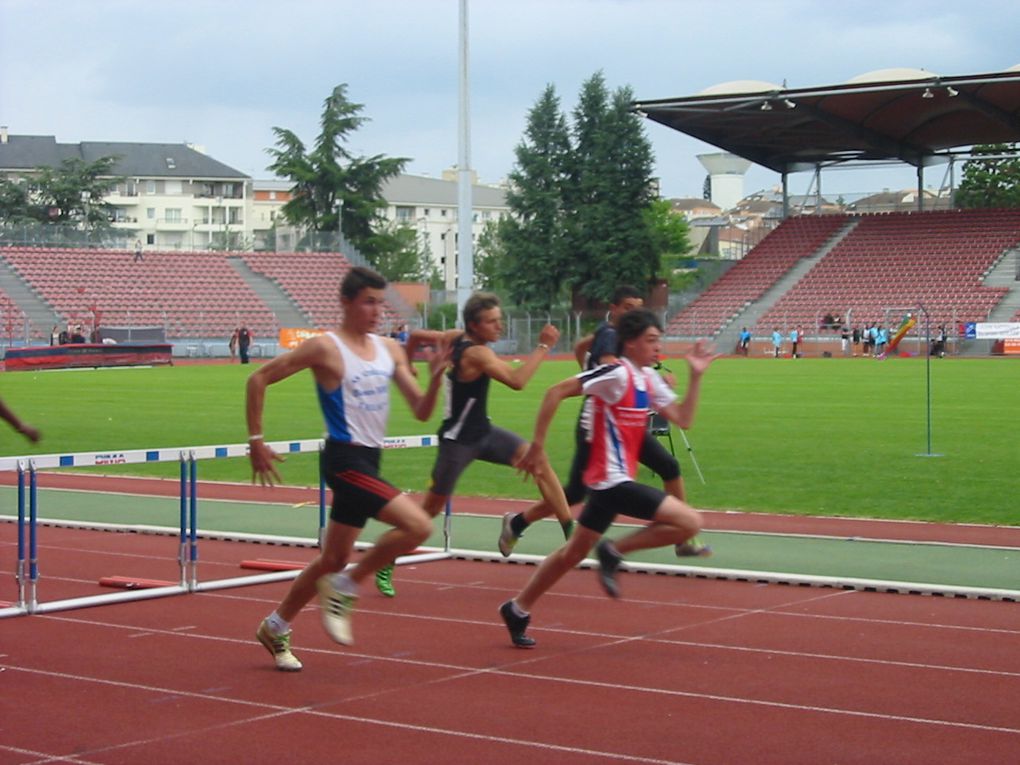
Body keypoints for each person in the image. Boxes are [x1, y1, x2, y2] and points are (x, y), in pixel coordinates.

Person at [249, 266, 448, 671]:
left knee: (333, 558)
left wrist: (435, 379)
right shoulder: (325, 348)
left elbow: (422, 412)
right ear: (346, 302)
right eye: (368, 302)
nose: (376, 311)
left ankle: (275, 625)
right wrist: (256, 441)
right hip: (344, 459)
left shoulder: (390, 349)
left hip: (371, 459)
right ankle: (344, 589)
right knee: (419, 526)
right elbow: (259, 378)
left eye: (380, 302)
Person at [498, 309, 719, 648]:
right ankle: (614, 550)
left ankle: (517, 608)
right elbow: (554, 392)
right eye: (650, 341)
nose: (656, 348)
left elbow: (684, 419)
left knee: (571, 554)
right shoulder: (615, 373)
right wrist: (538, 447)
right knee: (689, 522)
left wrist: (697, 376)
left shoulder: (649, 380)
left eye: (659, 341)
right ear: (630, 343)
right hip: (610, 481)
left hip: (610, 483)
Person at [366, 292, 570, 598]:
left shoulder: (452, 337)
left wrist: (409, 363)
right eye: (492, 322)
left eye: (499, 320)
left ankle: (570, 533)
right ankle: (387, 557)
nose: (499, 327)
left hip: (483, 433)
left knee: (538, 461)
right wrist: (544, 346)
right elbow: (517, 381)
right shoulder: (477, 354)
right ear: (475, 325)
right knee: (428, 513)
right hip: (457, 443)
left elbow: (417, 336)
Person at [498, 285, 709, 560]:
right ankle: (518, 522)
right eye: (628, 308)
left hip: (628, 425)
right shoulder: (611, 335)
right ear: (614, 309)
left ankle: (682, 537)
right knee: (576, 492)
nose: (634, 312)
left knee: (668, 466)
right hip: (599, 429)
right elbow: (611, 368)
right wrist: (636, 374)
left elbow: (582, 347)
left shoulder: (613, 335)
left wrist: (644, 376)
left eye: (638, 307)